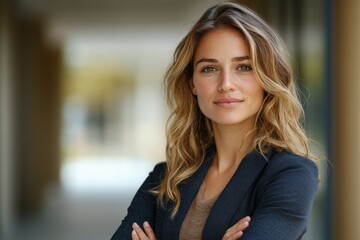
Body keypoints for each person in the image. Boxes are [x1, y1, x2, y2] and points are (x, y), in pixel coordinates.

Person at [111, 2, 319, 240]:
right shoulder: (166, 177)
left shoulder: (290, 175)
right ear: (192, 84)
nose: (226, 84)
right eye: (209, 69)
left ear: (267, 78)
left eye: (244, 67)